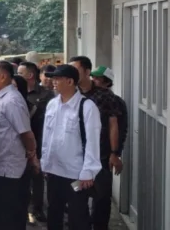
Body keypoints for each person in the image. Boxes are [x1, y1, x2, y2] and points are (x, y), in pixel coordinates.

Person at [41, 65, 102, 230]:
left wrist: (88, 172)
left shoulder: (87, 107)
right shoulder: (52, 104)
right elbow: (47, 138)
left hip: (76, 175)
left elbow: (93, 142)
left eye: (57, 79)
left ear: (70, 81)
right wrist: (44, 163)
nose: (53, 82)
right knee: (54, 213)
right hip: (54, 172)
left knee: (78, 216)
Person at [0, 61, 39, 230]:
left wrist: (32, 155)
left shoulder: (11, 101)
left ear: (3, 76)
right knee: (5, 215)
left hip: (9, 171)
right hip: (3, 168)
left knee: (8, 217)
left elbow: (26, 134)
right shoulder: (3, 98)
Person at [69, 57, 123, 230]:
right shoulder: (69, 94)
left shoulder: (105, 96)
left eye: (75, 70)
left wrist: (115, 153)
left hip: (101, 156)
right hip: (75, 158)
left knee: (101, 199)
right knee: (77, 196)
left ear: (86, 72)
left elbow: (114, 125)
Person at [89, 65, 129, 230]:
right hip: (87, 154)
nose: (94, 80)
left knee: (102, 195)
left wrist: (116, 154)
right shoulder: (87, 98)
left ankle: (100, 226)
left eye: (98, 78)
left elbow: (121, 130)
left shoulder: (116, 102)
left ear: (107, 82)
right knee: (78, 188)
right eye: (93, 77)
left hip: (104, 155)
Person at [17, 62, 54, 222]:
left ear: (30, 75)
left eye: (20, 72)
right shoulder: (17, 94)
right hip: (19, 143)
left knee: (37, 178)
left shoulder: (47, 95)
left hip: (40, 140)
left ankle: (37, 209)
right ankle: (24, 210)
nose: (16, 76)